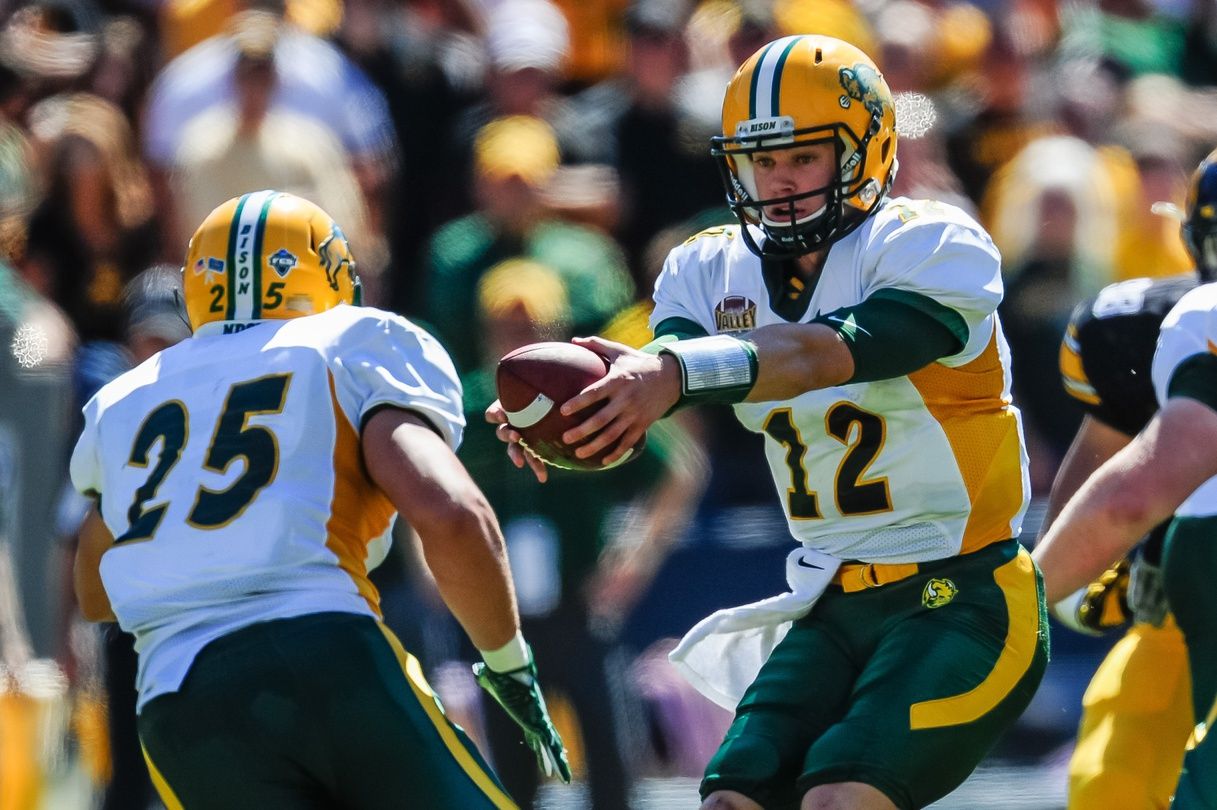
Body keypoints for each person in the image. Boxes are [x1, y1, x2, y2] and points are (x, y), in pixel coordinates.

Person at [490, 34, 1047, 810]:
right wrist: (583, 412)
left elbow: (824, 353)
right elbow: (669, 376)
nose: (778, 182)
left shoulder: (928, 243)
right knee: (729, 800)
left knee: (838, 800)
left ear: (867, 149)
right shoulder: (710, 267)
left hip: (961, 594)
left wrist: (674, 371)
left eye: (802, 158)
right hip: (828, 601)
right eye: (762, 161)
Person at [69, 190, 569, 808]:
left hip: (180, 700)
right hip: (325, 654)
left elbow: (95, 589)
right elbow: (452, 513)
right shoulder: (352, 342)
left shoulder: (126, 396)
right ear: (330, 274)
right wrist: (508, 662)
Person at [1034, 149, 1217, 809]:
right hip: (1175, 618)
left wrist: (1014, 603)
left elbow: (1125, 498)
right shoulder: (1144, 329)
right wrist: (1069, 592)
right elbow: (1097, 493)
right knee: (1111, 789)